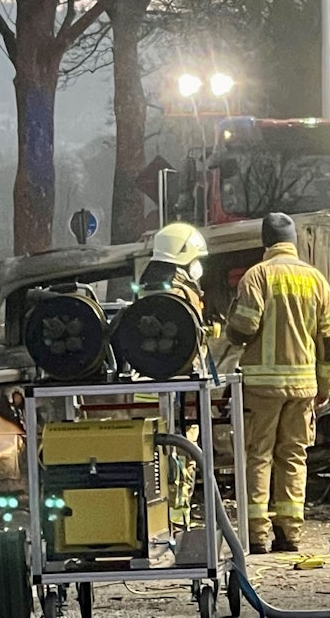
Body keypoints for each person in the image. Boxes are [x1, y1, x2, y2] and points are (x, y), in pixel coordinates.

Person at [226, 212, 330, 555]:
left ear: (265, 242)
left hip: (262, 387)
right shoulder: (316, 280)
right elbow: (329, 341)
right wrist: (326, 386)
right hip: (304, 386)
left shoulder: (257, 276)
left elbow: (244, 328)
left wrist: (231, 326)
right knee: (293, 456)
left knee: (258, 455)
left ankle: (257, 536)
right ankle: (290, 534)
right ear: (294, 241)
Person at [136, 222, 208, 527]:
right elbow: (190, 339)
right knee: (181, 453)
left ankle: (156, 519)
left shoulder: (148, 287)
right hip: (179, 388)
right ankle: (178, 520)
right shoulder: (180, 291)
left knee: (153, 456)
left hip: (148, 385)